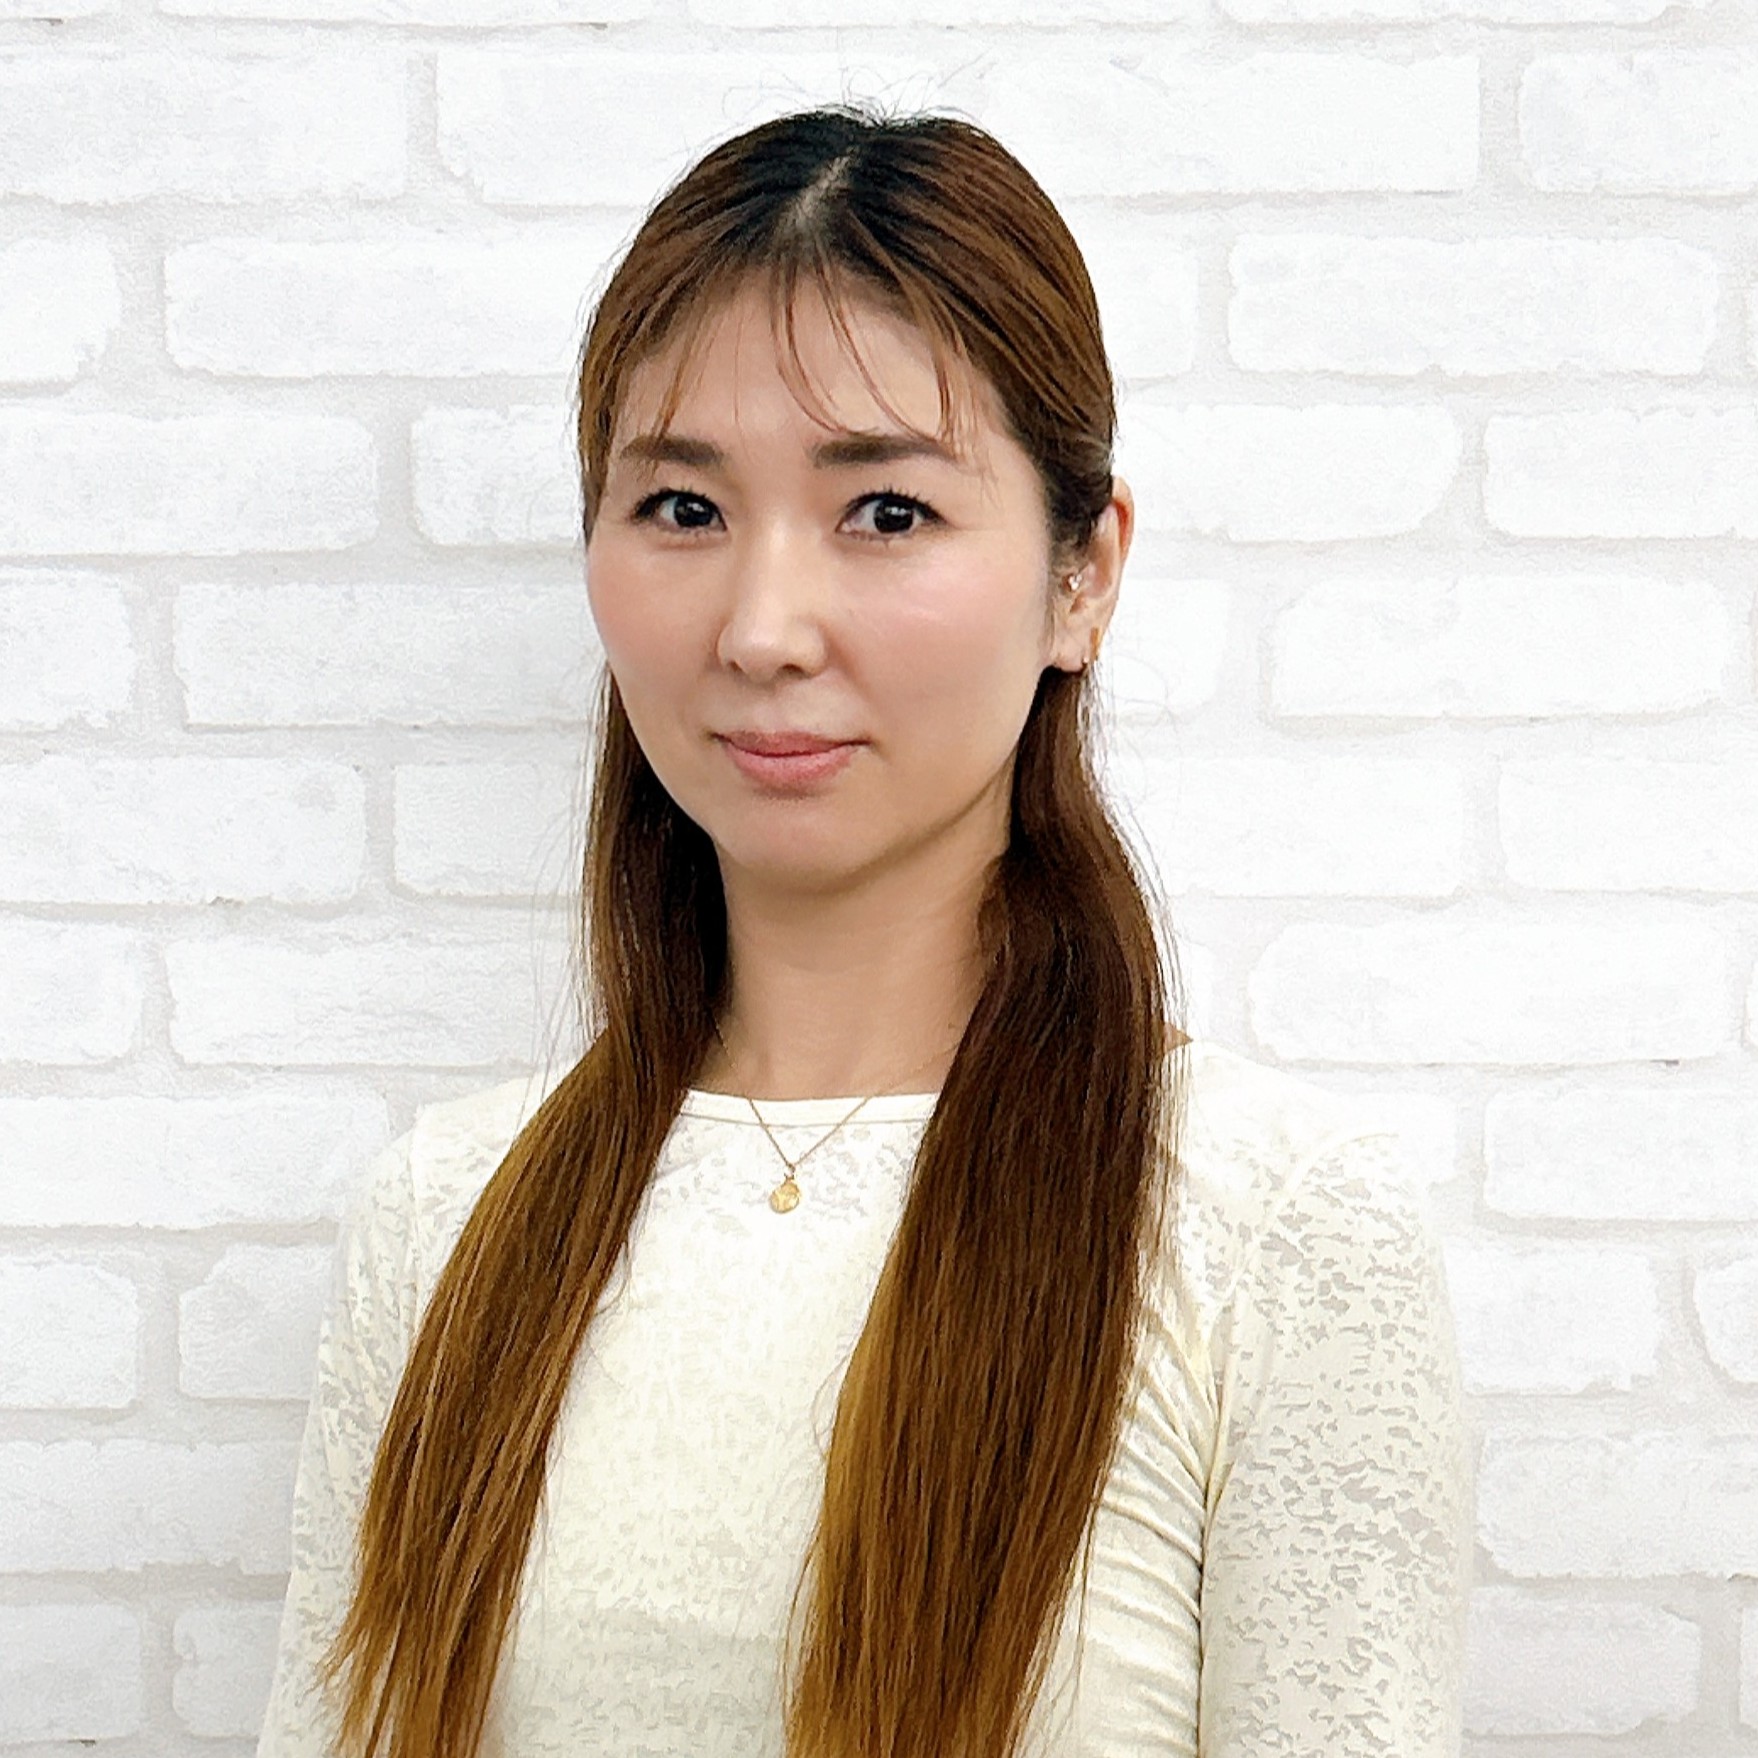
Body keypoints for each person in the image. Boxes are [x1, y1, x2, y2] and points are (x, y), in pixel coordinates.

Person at [256, 105, 1473, 1758]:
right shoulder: (448, 1217)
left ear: (1080, 575)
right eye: (681, 508)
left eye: (885, 511)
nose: (762, 629)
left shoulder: (1272, 1223)